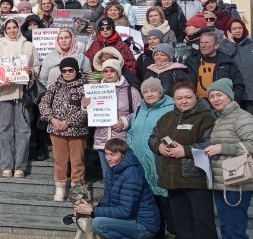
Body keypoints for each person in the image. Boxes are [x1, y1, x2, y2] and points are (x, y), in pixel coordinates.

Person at [149, 81, 218, 239]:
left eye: (188, 97)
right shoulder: (166, 118)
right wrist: (158, 147)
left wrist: (185, 151)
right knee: (182, 227)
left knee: (203, 225)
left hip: (196, 181)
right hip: (173, 180)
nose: (184, 101)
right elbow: (153, 138)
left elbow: (210, 142)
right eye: (179, 98)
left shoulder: (206, 118)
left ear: (196, 97)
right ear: (173, 99)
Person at [204, 78, 253, 239]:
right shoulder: (220, 118)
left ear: (230, 96)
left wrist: (222, 148)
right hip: (222, 182)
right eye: (212, 96)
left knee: (234, 231)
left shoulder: (242, 117)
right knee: (227, 229)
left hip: (237, 183)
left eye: (219, 95)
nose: (215, 99)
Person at [73, 138, 160, 239]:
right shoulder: (114, 168)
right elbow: (108, 200)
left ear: (123, 155)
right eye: (107, 154)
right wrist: (85, 213)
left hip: (144, 225)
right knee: (96, 220)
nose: (108, 158)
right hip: (131, 219)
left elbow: (126, 211)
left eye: (113, 154)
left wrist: (93, 211)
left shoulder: (132, 175)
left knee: (99, 224)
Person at [0, 18, 41, 178]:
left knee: (24, 130)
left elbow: (36, 67)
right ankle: (7, 165)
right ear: (5, 30)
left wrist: (30, 72)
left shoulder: (28, 45)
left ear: (19, 28)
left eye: (14, 27)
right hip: (5, 92)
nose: (12, 30)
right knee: (5, 130)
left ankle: (20, 166)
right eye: (9, 28)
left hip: (23, 93)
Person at [127, 77, 175, 238]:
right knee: (150, 208)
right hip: (140, 164)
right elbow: (132, 131)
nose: (149, 94)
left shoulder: (171, 108)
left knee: (165, 205)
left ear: (161, 92)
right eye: (146, 91)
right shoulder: (140, 109)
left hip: (160, 164)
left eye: (153, 90)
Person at [38, 57, 87, 201]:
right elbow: (43, 104)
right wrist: (53, 120)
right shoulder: (55, 85)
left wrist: (68, 122)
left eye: (70, 70)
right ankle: (60, 189)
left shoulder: (85, 86)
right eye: (64, 70)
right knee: (60, 160)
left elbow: (86, 110)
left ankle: (77, 189)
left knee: (77, 161)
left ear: (76, 70)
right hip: (57, 130)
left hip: (77, 131)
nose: (67, 73)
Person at [85, 59, 141, 182]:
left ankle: (123, 201)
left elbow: (140, 113)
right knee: (107, 176)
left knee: (125, 175)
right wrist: (85, 106)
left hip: (122, 140)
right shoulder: (95, 91)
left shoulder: (131, 91)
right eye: (106, 71)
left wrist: (124, 121)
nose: (109, 74)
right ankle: (109, 199)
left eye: (112, 71)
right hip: (102, 139)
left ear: (118, 72)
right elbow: (90, 115)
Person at [221, 18, 253, 127]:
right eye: (234, 29)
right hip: (232, 97)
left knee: (252, 128)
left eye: (239, 28)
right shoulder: (223, 48)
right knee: (233, 129)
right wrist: (231, 44)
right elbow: (222, 63)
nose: (237, 31)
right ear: (229, 32)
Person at [185, 32, 245, 101]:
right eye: (201, 42)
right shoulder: (191, 62)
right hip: (198, 106)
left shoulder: (227, 63)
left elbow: (238, 85)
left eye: (207, 42)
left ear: (216, 46)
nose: (203, 45)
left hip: (221, 105)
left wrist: (231, 101)